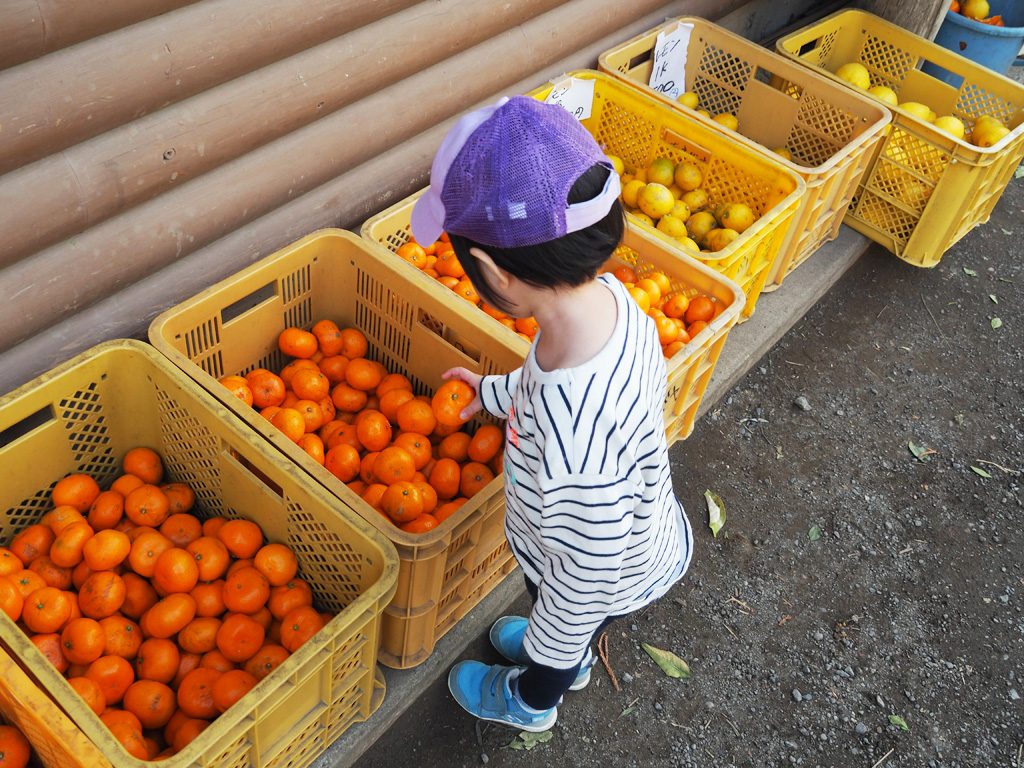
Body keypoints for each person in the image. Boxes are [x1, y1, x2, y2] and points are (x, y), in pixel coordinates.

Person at [410, 95, 693, 732]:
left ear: (492, 274)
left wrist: (551, 648)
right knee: (560, 612)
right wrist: (489, 394)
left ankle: (534, 700)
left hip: (597, 574)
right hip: (617, 537)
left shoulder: (576, 446)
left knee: (561, 629)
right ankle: (566, 653)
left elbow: (585, 579)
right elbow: (542, 384)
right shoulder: (613, 306)